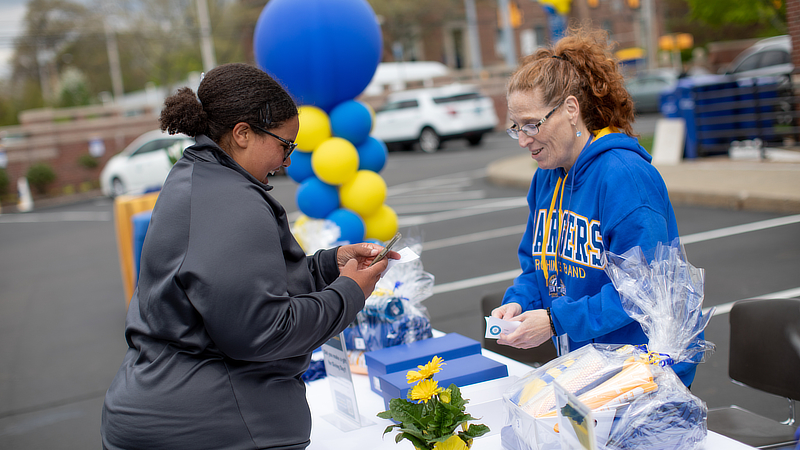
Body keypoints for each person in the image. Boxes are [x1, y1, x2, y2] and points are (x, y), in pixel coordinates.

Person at [101, 63, 397, 449]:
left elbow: (241, 286)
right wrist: (350, 293)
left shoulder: (198, 175)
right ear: (242, 133)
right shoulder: (230, 202)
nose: (288, 160)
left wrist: (329, 265)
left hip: (171, 406)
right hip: (209, 421)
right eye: (284, 145)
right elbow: (263, 330)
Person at [491, 28, 699, 387]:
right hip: (584, 367)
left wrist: (557, 321)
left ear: (571, 109)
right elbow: (534, 265)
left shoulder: (625, 176)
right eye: (515, 127)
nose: (523, 139)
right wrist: (519, 302)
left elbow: (646, 288)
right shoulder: (546, 177)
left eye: (532, 124)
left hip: (646, 373)